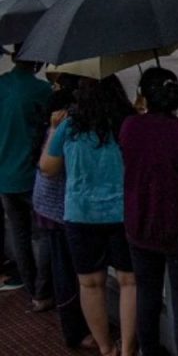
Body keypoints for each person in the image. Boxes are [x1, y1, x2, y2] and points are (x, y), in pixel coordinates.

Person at [120, 67, 178, 356]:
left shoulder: (130, 128)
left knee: (147, 296)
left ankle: (149, 351)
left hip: (140, 227)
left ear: (144, 97)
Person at [40, 75, 137, 356]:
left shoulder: (70, 125)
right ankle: (129, 348)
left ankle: (106, 348)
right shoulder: (127, 124)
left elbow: (48, 167)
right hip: (122, 213)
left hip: (81, 215)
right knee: (129, 281)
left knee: (90, 283)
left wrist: (52, 129)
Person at [31, 72, 94, 348]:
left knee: (60, 263)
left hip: (48, 204)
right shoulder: (66, 123)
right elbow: (51, 166)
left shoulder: (57, 119)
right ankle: (76, 331)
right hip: (60, 207)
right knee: (69, 271)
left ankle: (43, 297)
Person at [0, 43, 52, 304]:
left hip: (5, 176)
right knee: (46, 235)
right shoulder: (41, 90)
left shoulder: (2, 85)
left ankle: (31, 287)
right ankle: (44, 291)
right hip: (32, 177)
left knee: (20, 234)